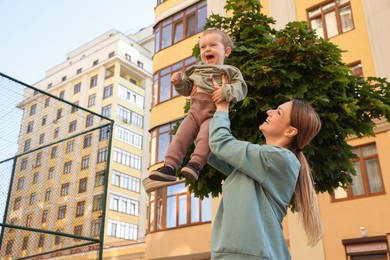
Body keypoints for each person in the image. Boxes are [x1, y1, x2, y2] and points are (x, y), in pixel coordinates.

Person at [208, 77, 323, 259]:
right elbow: (216, 152)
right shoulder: (264, 162)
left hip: (251, 254)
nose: (269, 111)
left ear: (290, 131)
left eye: (278, 112)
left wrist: (222, 108)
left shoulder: (278, 158)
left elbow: (220, 143)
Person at [149, 28, 247, 182]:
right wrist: (178, 83)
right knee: (180, 137)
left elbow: (241, 89)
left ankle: (195, 164)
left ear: (226, 52)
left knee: (204, 138)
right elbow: (187, 89)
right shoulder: (195, 71)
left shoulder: (230, 71)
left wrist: (225, 91)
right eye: (203, 47)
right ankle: (169, 166)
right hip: (193, 113)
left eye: (213, 45)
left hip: (212, 114)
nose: (207, 49)